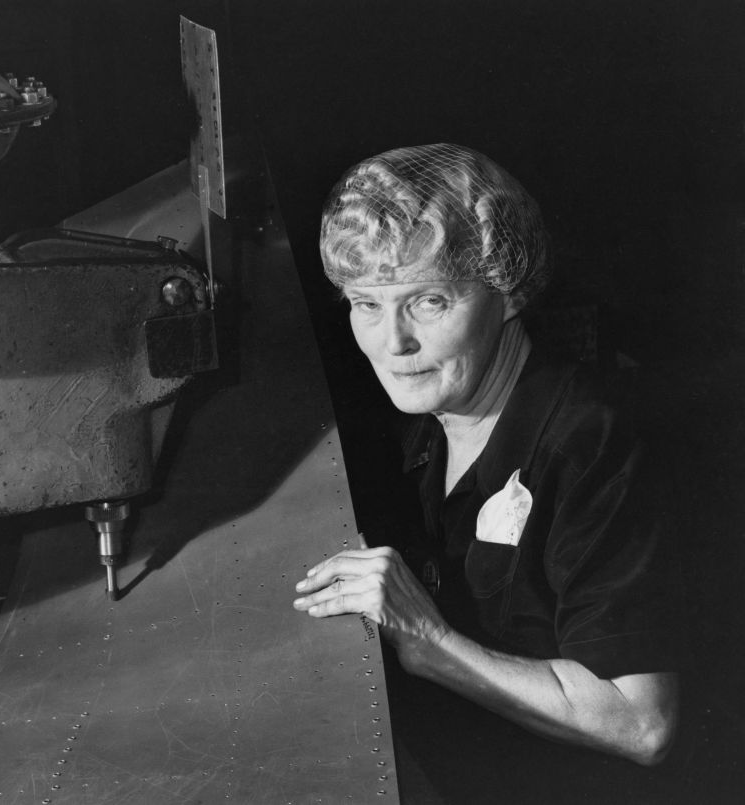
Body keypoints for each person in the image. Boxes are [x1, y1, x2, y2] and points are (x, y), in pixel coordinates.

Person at [292, 144, 681, 803]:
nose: (393, 343)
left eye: (428, 301)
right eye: (366, 304)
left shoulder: (591, 445)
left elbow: (643, 721)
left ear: (506, 289)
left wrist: (432, 644)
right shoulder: (435, 410)